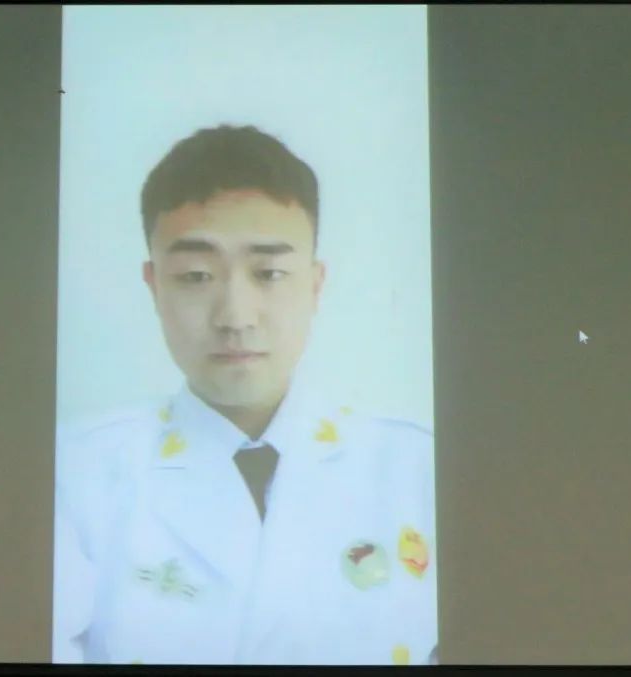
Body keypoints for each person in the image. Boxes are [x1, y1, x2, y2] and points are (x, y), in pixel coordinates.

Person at [53, 124, 437, 665]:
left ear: (315, 285)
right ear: (154, 286)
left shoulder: (420, 471)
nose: (235, 317)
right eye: (196, 276)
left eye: (270, 273)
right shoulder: (73, 476)